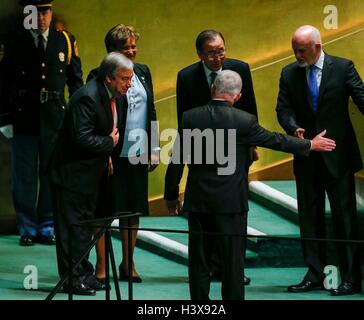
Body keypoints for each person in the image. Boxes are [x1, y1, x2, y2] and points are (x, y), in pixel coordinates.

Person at [181, 70, 336, 300]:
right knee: (233, 264)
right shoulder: (245, 121)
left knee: (199, 262)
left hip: (198, 201)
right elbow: (275, 140)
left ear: (213, 88)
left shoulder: (190, 117)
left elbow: (178, 156)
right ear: (239, 95)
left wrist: (171, 192)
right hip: (231, 203)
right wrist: (309, 145)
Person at [276, 25, 364, 296]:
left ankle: (351, 278)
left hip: (338, 157)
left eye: (301, 50)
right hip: (307, 156)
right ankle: (314, 273)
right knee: (309, 219)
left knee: (344, 219)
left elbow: (362, 98)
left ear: (317, 46)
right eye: (294, 50)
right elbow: (283, 108)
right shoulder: (289, 73)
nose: (296, 55)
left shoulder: (343, 67)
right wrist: (293, 129)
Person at [164, 29, 257, 285]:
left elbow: (250, 108)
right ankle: (212, 266)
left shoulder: (240, 68)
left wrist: (251, 144)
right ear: (200, 55)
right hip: (203, 153)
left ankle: (233, 269)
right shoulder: (186, 76)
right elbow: (184, 115)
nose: (218, 58)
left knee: (232, 210)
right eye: (212, 53)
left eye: (221, 51)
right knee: (207, 214)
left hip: (235, 151)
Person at [0, 0, 83, 246]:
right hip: (23, 117)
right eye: (35, 12)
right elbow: (2, 83)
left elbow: (75, 82)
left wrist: (77, 117)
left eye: (45, 11)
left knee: (50, 174)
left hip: (55, 118)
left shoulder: (64, 41)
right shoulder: (15, 41)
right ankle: (27, 226)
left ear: (51, 12)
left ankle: (47, 224)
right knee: (24, 175)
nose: (41, 17)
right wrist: (4, 118)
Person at [50, 52, 132, 295]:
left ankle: (84, 274)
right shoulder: (87, 97)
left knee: (84, 227)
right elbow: (82, 138)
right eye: (124, 79)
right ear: (108, 78)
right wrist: (109, 144)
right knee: (71, 230)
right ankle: (72, 279)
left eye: (130, 79)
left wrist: (105, 153)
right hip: (70, 176)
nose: (129, 84)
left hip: (88, 175)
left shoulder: (109, 95)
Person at [87, 24, 159, 283]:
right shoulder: (98, 74)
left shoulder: (142, 71)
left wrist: (154, 147)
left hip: (137, 150)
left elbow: (151, 110)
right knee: (104, 209)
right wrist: (103, 149)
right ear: (112, 51)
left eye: (133, 45)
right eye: (125, 47)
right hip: (111, 152)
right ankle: (102, 266)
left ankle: (128, 264)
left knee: (133, 209)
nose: (131, 50)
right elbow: (95, 114)